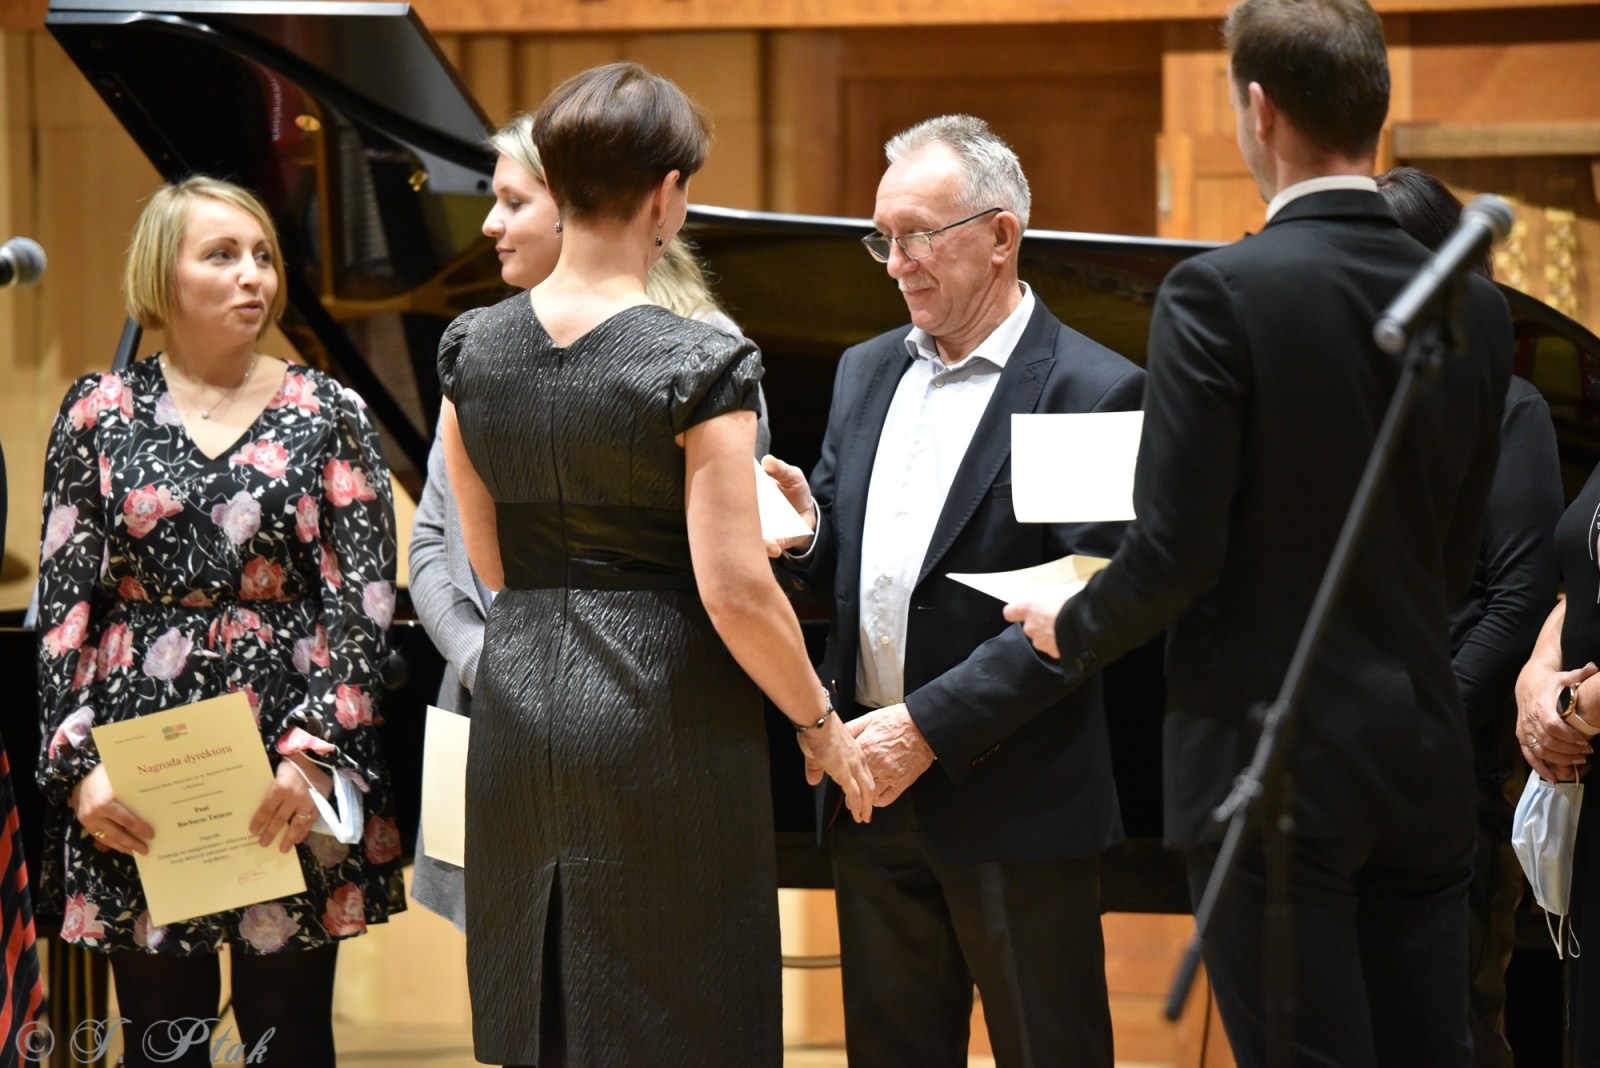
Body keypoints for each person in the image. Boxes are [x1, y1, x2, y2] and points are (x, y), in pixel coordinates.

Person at [1003, 0, 1512, 1061]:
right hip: (1420, 760)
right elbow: (1452, 553)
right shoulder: (1477, 303)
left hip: (1267, 767)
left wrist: (1075, 620)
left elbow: (1178, 549)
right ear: (1374, 107)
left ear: (1258, 109)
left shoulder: (1218, 292)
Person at [435, 62, 873, 1067]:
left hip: (518, 700)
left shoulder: (470, 350)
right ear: (668, 193)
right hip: (659, 715)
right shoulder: (696, 363)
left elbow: (490, 559)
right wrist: (819, 725)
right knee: (682, 1017)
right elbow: (732, 588)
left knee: (544, 1009)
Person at [763, 114, 1143, 1067]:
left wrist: (921, 728)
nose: (896, 263)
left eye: (919, 235)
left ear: (1001, 235)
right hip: (870, 794)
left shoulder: (1086, 392)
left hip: (1015, 796)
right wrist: (810, 531)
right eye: (883, 238)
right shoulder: (865, 371)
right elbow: (857, 549)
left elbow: (1083, 610)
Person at [35, 176, 404, 1068]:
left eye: (264, 256)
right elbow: (62, 613)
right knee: (164, 1044)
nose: (255, 277)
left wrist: (312, 756)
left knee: (290, 1037)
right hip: (141, 766)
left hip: (291, 759)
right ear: (163, 278)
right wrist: (81, 771)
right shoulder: (95, 414)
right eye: (223, 255)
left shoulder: (330, 412)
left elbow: (364, 600)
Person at [410, 113, 771, 928]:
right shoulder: (476, 345)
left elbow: (722, 555)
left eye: (512, 200)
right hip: (487, 693)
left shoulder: (705, 349)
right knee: (513, 972)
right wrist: (484, 661)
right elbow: (434, 540)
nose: (490, 225)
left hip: (635, 710)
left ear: (572, 204)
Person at [1378, 165, 1562, 1068]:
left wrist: (1418, 721)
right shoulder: (1349, 401)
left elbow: (1520, 597)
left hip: (1448, 761)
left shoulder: (1508, 405)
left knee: (1446, 1024)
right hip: (1345, 758)